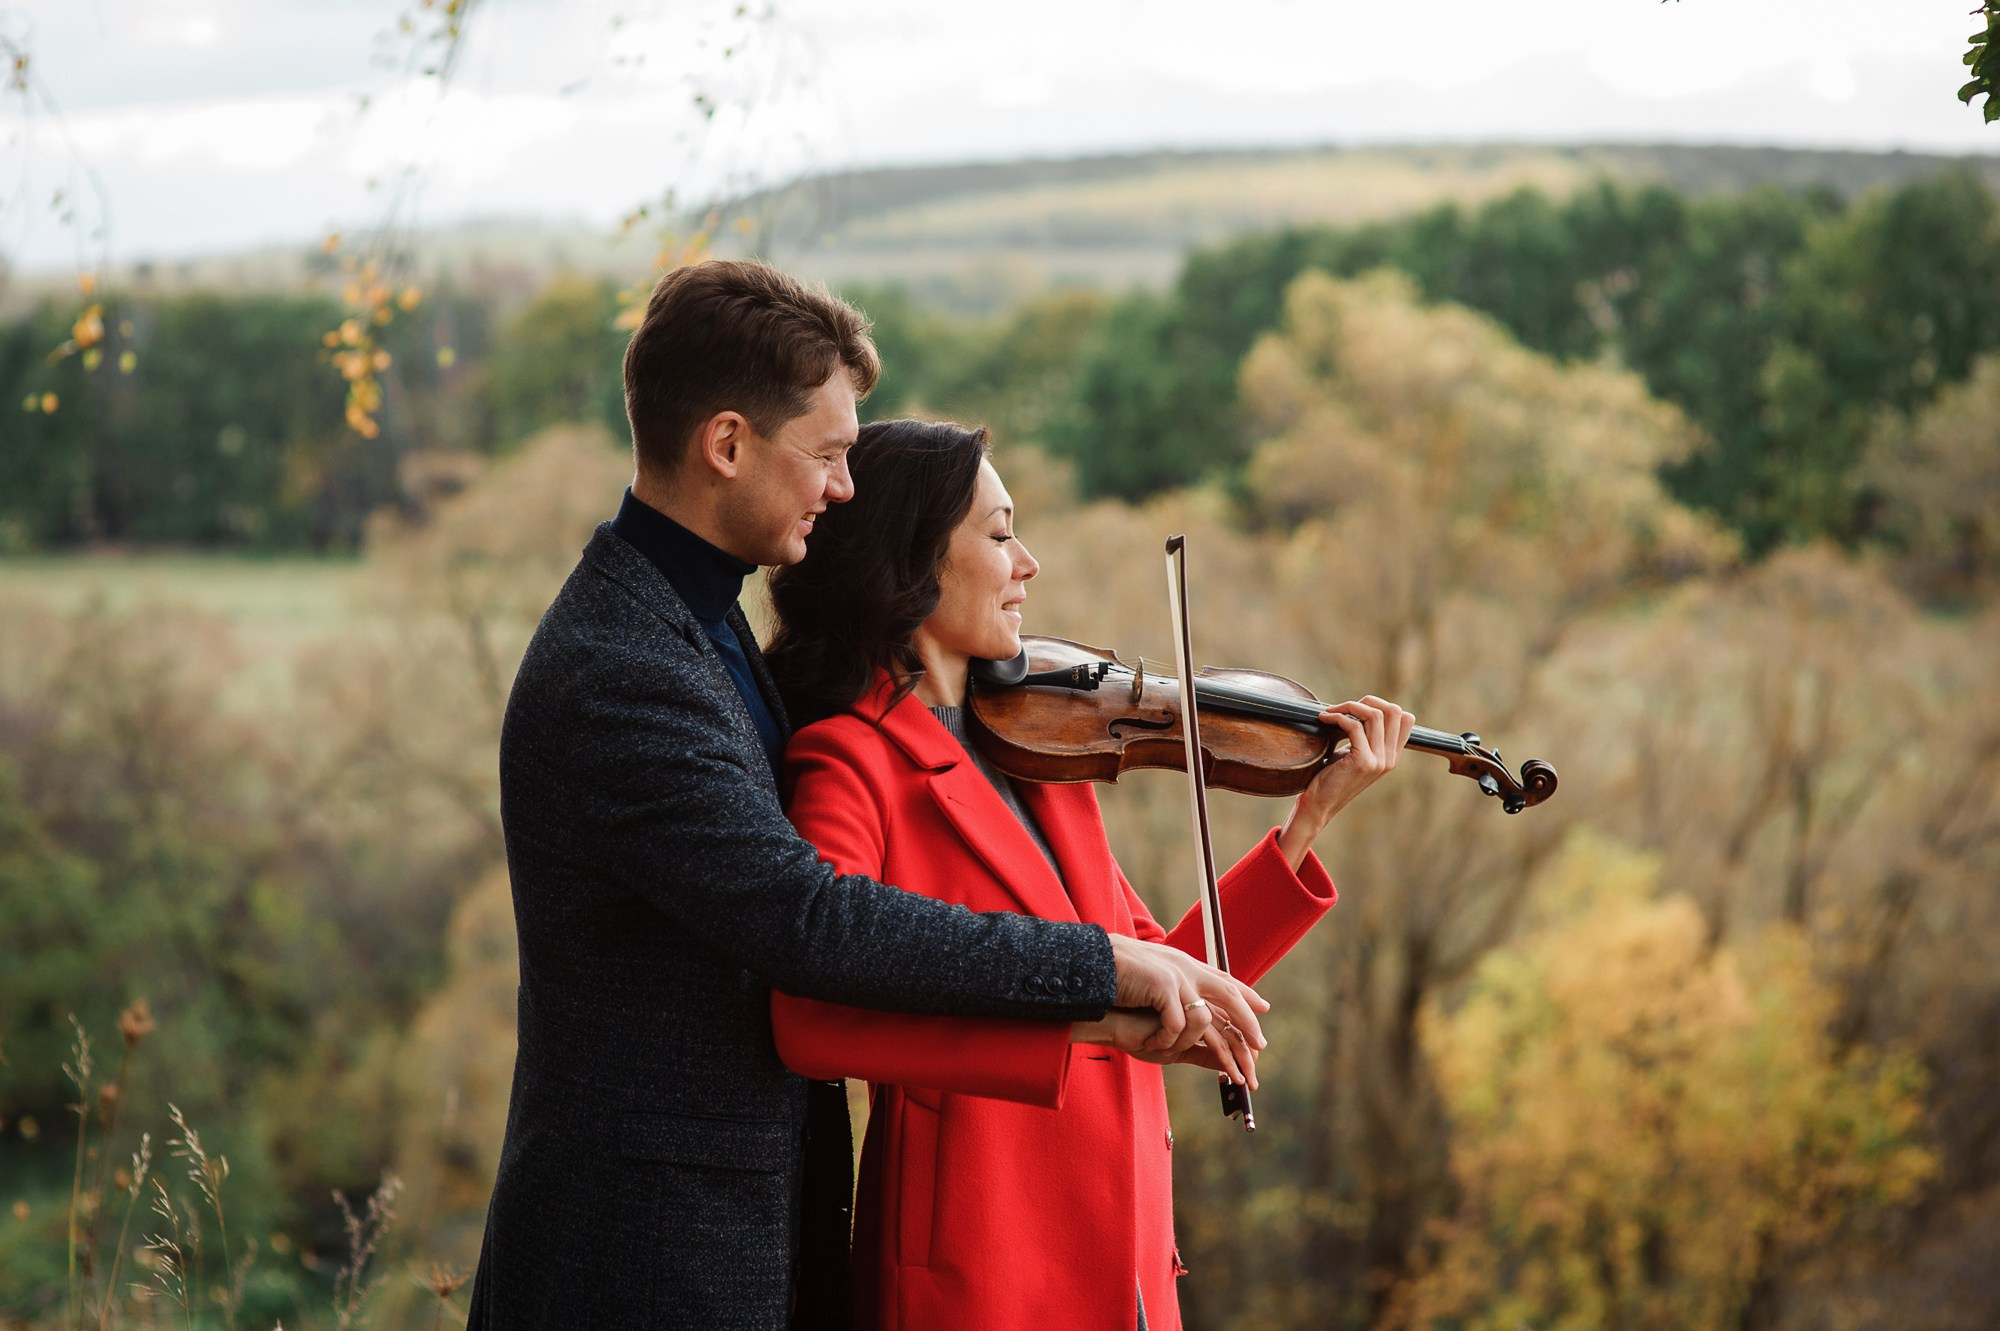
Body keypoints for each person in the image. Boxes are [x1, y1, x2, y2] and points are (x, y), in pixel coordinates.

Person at [465, 262, 1271, 1331]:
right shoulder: (627, 670)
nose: (842, 488)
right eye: (829, 454)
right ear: (726, 444)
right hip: (646, 1255)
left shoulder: (695, 629)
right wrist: (1100, 963)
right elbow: (807, 917)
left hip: (730, 1231)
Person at [764, 419, 1415, 1331]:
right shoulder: (849, 760)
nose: (1027, 563)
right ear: (910, 564)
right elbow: (816, 1016)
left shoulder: (1044, 758)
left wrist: (1307, 823)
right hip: (982, 1261)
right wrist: (1068, 1025)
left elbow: (1164, 974)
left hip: (1131, 1262)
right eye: (998, 534)